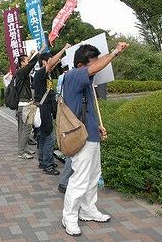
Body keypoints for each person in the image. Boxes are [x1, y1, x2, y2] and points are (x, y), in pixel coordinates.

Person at [61, 42, 128, 236]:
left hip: (91, 135)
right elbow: (97, 67)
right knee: (79, 179)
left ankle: (89, 209)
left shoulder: (86, 83)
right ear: (82, 66)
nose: (98, 66)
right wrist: (115, 52)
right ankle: (69, 217)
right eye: (94, 62)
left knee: (92, 176)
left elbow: (86, 108)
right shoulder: (73, 76)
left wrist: (97, 125)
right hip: (81, 138)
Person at [33, 43, 71, 175]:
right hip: (44, 109)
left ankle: (43, 161)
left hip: (44, 108)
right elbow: (51, 63)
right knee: (49, 137)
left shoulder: (45, 74)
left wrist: (60, 58)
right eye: (50, 60)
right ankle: (48, 165)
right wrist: (63, 49)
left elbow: (53, 64)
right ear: (44, 61)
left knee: (43, 136)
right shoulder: (40, 73)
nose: (52, 62)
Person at [15, 52, 39, 159]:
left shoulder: (20, 73)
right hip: (25, 105)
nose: (29, 62)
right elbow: (30, 65)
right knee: (27, 128)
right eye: (27, 61)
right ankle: (21, 152)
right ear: (22, 63)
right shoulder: (21, 72)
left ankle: (24, 149)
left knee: (22, 129)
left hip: (21, 105)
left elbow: (28, 65)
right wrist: (38, 54)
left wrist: (31, 55)